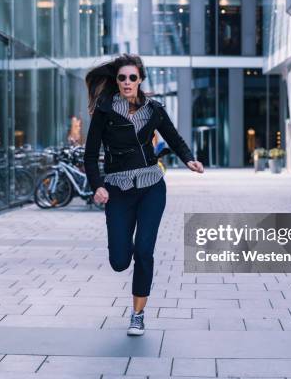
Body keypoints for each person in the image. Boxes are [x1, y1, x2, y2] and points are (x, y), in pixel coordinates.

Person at [83, 54, 204, 336]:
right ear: (117, 81)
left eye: (132, 78)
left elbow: (173, 138)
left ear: (140, 80)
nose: (127, 82)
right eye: (122, 78)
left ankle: (138, 314)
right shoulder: (104, 110)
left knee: (144, 250)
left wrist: (188, 159)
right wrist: (97, 185)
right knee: (119, 261)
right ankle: (128, 279)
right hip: (118, 189)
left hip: (151, 186)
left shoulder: (154, 110)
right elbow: (90, 156)